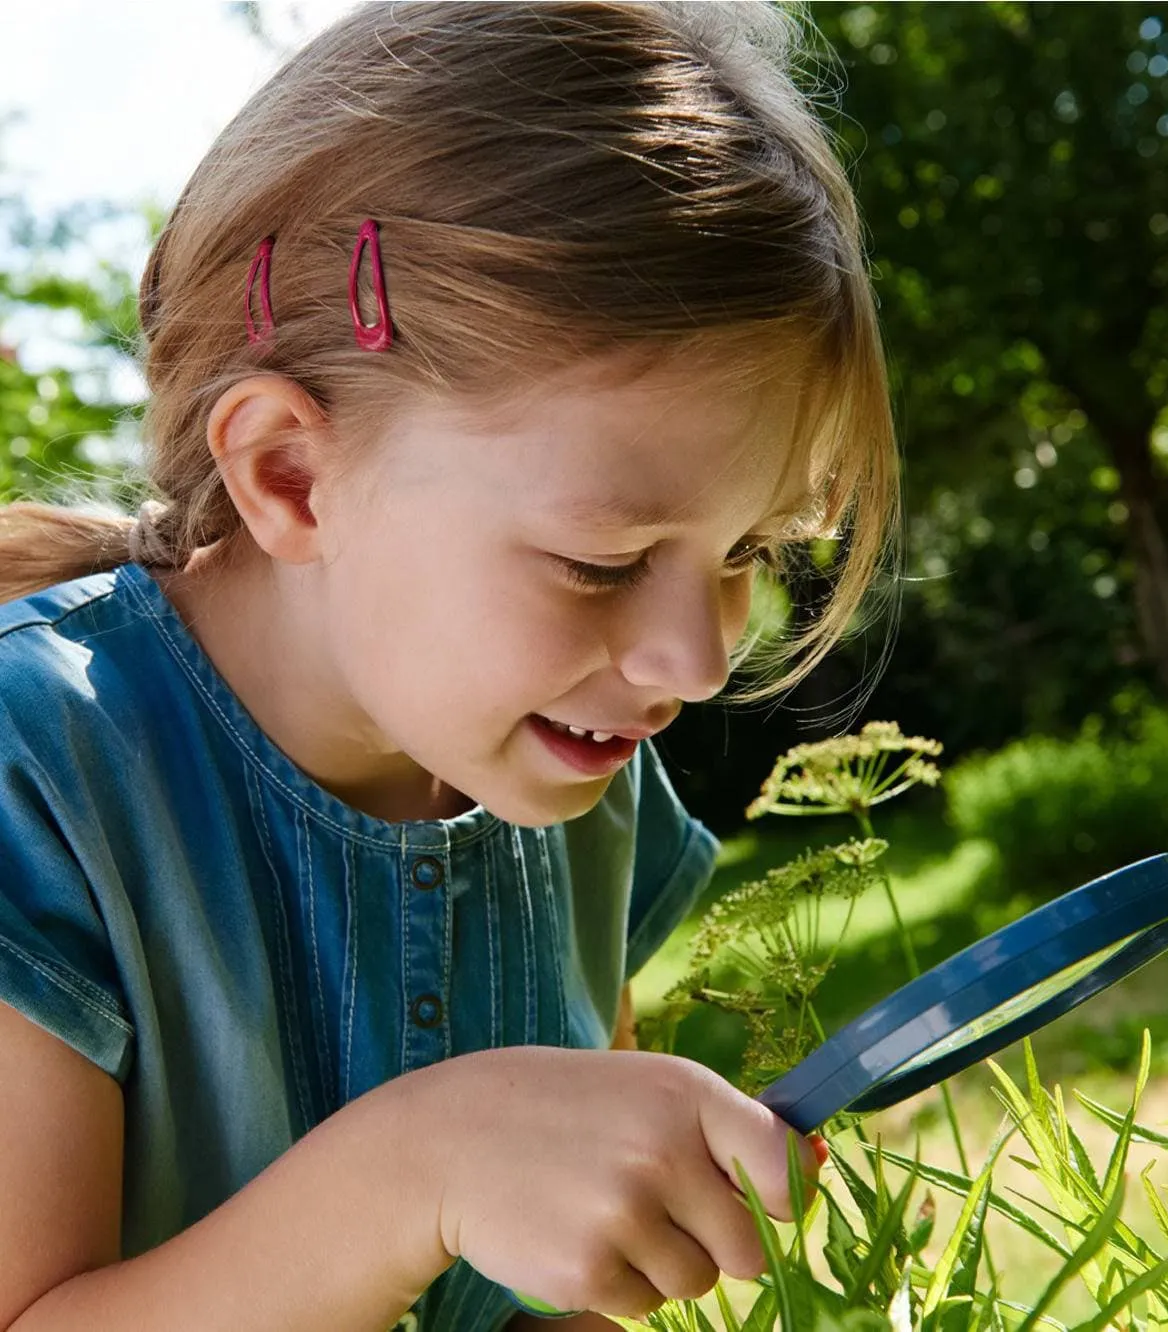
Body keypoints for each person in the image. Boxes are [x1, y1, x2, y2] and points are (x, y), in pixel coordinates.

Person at [0, 3, 897, 1330]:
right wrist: (420, 1168)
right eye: (600, 563)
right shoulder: (43, 772)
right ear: (292, 477)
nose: (696, 660)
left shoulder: (582, 788)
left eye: (748, 552)